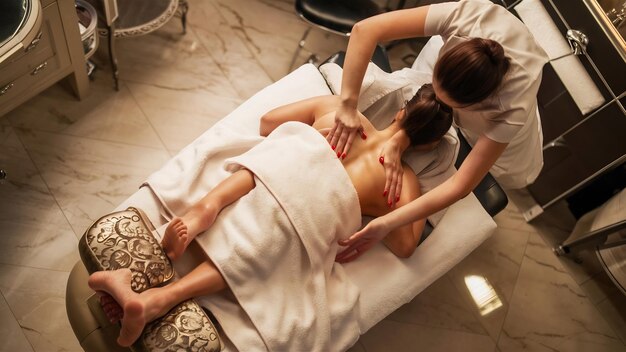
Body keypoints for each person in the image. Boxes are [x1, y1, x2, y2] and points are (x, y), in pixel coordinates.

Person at [88, 84, 453, 347]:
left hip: (270, 177)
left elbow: (268, 123)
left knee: (278, 162)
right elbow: (405, 245)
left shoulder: (341, 112)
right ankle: (160, 299)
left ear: (400, 111)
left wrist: (315, 139)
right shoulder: (403, 183)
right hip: (302, 216)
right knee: (259, 248)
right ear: (430, 145)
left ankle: (202, 213)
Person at [332, 0, 549, 262]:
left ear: (472, 107)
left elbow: (462, 184)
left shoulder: (512, 109)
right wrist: (347, 105)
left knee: (514, 172)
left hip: (506, 128)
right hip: (464, 64)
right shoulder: (467, 16)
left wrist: (388, 223)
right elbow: (365, 30)